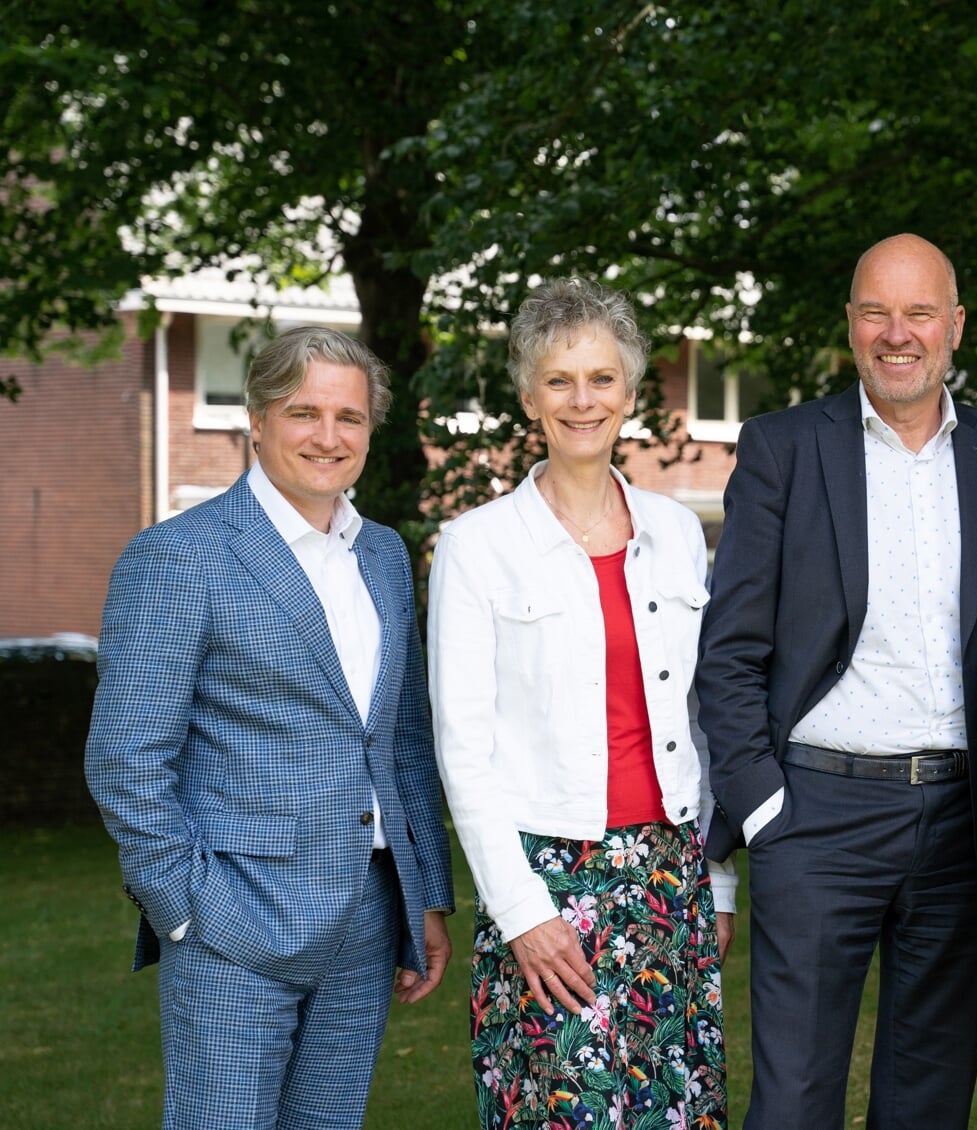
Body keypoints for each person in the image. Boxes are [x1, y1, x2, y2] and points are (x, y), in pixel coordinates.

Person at [696, 233, 977, 1129]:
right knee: (795, 1097)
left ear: (955, 326)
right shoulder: (783, 447)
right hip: (816, 815)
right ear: (850, 327)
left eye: (919, 312)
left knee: (929, 1099)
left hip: (961, 821)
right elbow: (729, 650)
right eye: (876, 312)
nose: (898, 333)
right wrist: (762, 807)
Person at [85, 326, 454, 1129]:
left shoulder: (385, 556)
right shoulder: (180, 557)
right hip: (232, 921)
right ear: (257, 419)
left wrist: (424, 895)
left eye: (349, 418)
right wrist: (183, 909)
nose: (328, 436)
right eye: (303, 412)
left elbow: (399, 740)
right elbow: (125, 756)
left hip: (366, 916)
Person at [428, 278, 733, 1129]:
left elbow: (702, 718)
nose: (582, 400)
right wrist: (522, 914)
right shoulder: (477, 545)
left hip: (670, 873)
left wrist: (718, 882)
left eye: (602, 378)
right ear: (529, 396)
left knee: (679, 1110)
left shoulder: (676, 532)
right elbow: (464, 750)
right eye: (559, 380)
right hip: (549, 883)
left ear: (631, 394)